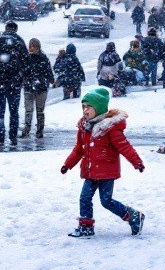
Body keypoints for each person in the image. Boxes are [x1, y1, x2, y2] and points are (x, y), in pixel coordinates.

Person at [60, 87, 145, 238]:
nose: (85, 110)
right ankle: (86, 227)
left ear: (98, 109)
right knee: (84, 198)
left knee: (106, 201)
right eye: (83, 107)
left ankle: (133, 216)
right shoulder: (84, 128)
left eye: (89, 107)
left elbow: (124, 146)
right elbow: (78, 149)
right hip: (90, 171)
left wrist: (136, 162)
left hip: (107, 171)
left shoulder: (109, 128)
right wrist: (68, 164)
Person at [0, 21, 29, 146]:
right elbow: (26, 63)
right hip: (14, 83)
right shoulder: (19, 42)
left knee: (0, 111)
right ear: (15, 29)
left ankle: (0, 135)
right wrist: (18, 76)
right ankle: (13, 136)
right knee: (13, 111)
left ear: (5, 28)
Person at [20, 38, 55, 138]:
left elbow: (48, 71)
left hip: (40, 88)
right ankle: (28, 129)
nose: (31, 48)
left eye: (33, 46)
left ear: (38, 47)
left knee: (39, 110)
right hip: (30, 87)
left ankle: (39, 130)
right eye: (30, 46)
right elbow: (23, 71)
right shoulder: (27, 58)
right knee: (29, 110)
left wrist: (51, 80)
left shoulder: (42, 58)